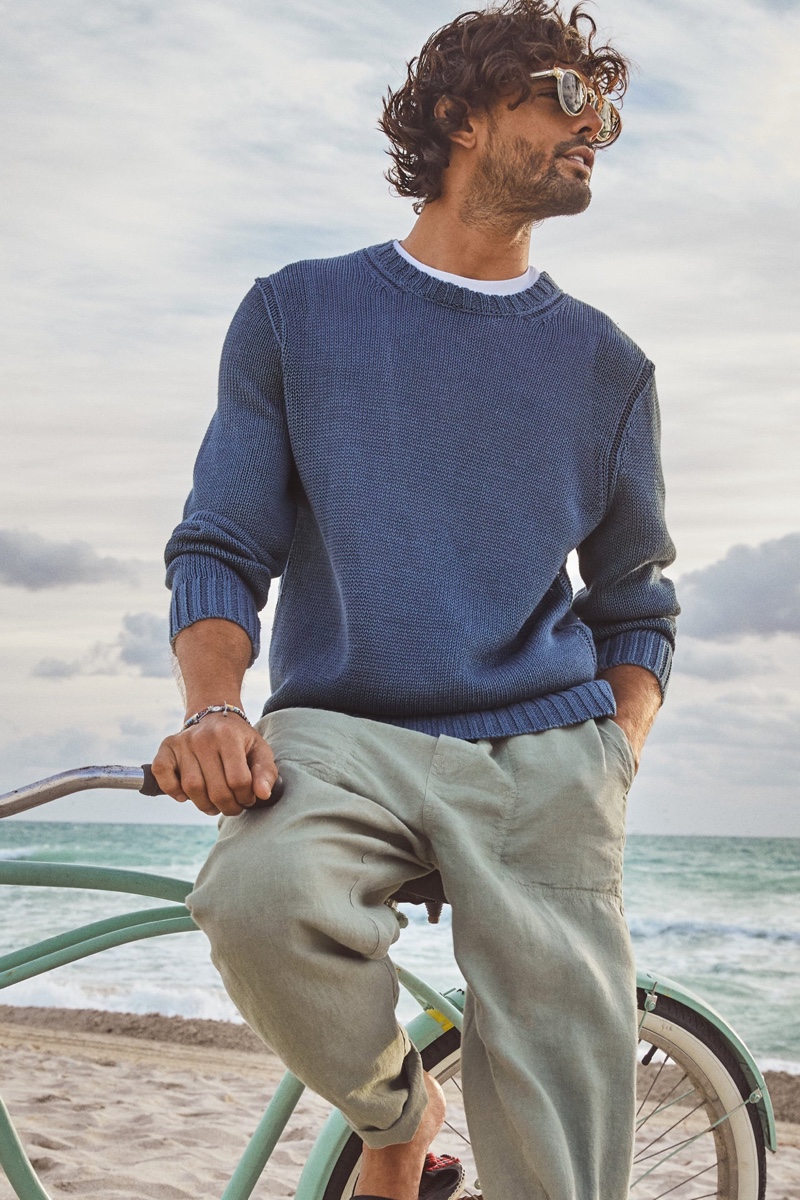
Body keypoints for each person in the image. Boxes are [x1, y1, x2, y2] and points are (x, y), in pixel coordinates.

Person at [153, 1, 679, 1196]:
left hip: (546, 754)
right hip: (345, 731)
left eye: (608, 107)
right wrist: (209, 710)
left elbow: (635, 597)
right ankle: (400, 1115)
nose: (594, 124)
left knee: (564, 1166)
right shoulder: (298, 313)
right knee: (256, 893)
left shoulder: (608, 365)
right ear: (458, 112)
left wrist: (614, 755)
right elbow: (223, 541)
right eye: (564, 93)